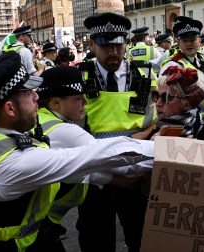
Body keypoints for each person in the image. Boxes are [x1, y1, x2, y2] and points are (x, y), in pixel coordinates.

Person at [0, 51, 154, 252]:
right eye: (29, 93)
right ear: (9, 109)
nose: (38, 97)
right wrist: (173, 153)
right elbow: (95, 155)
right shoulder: (16, 162)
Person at [35, 66, 151, 250]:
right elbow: (116, 161)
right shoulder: (66, 132)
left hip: (36, 222)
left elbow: (74, 170)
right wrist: (162, 149)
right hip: (36, 228)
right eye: (78, 99)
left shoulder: (40, 120)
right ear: (55, 102)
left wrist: (111, 179)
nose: (85, 104)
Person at [75, 12, 157, 252]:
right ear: (91, 44)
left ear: (126, 44)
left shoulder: (144, 74)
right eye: (105, 44)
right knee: (96, 239)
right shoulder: (79, 77)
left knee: (140, 236)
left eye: (118, 44)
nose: (112, 52)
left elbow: (154, 122)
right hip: (95, 172)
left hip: (136, 173)